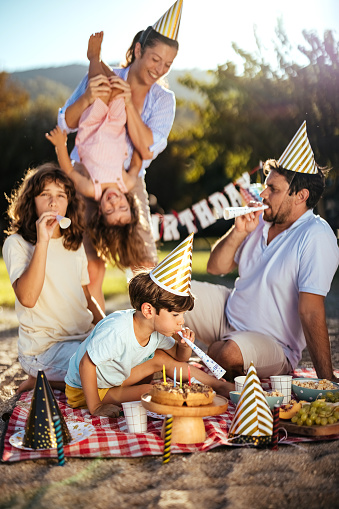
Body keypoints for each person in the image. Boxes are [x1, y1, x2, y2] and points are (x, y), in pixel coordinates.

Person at [184, 122, 339, 382]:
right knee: (164, 292)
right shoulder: (261, 221)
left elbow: (311, 311)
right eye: (265, 185)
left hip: (273, 344)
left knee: (225, 355)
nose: (263, 194)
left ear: (300, 196)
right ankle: (160, 363)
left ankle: (203, 356)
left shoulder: (316, 236)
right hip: (227, 313)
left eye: (273, 189)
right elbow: (215, 268)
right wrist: (239, 232)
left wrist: (326, 379)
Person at [57, 0, 183, 311]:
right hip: (87, 172)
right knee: (90, 264)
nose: (159, 69)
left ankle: (158, 333)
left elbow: (148, 148)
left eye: (167, 64)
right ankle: (96, 329)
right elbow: (65, 122)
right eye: (155, 58)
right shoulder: (105, 74)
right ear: (138, 50)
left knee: (144, 259)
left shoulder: (164, 99)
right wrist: (89, 95)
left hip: (128, 181)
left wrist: (127, 106)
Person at [65, 235, 233, 417]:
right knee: (150, 390)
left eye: (182, 315)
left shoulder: (155, 329)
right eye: (176, 314)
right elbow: (86, 364)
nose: (181, 321)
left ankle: (218, 385)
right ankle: (95, 401)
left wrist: (184, 347)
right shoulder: (117, 331)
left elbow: (178, 358)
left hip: (113, 378)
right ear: (148, 310)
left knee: (161, 358)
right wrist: (96, 407)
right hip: (88, 388)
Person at [2, 163, 105, 393]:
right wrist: (43, 241)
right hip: (44, 350)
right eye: (45, 195)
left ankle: (50, 381)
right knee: (105, 374)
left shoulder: (73, 242)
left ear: (68, 203)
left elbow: (86, 294)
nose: (53, 202)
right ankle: (41, 379)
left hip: (81, 339)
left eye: (61, 195)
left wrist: (108, 326)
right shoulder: (16, 244)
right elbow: (28, 298)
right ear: (31, 200)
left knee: (132, 359)